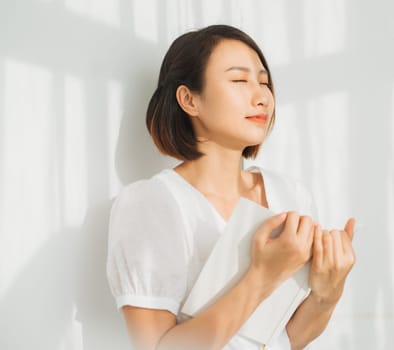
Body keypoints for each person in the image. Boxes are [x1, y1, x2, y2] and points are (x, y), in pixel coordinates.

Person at [106, 24, 356, 350]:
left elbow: (289, 339)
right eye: (239, 80)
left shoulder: (291, 195)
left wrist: (327, 293)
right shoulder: (152, 204)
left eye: (264, 82)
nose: (262, 96)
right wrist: (260, 276)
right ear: (189, 99)